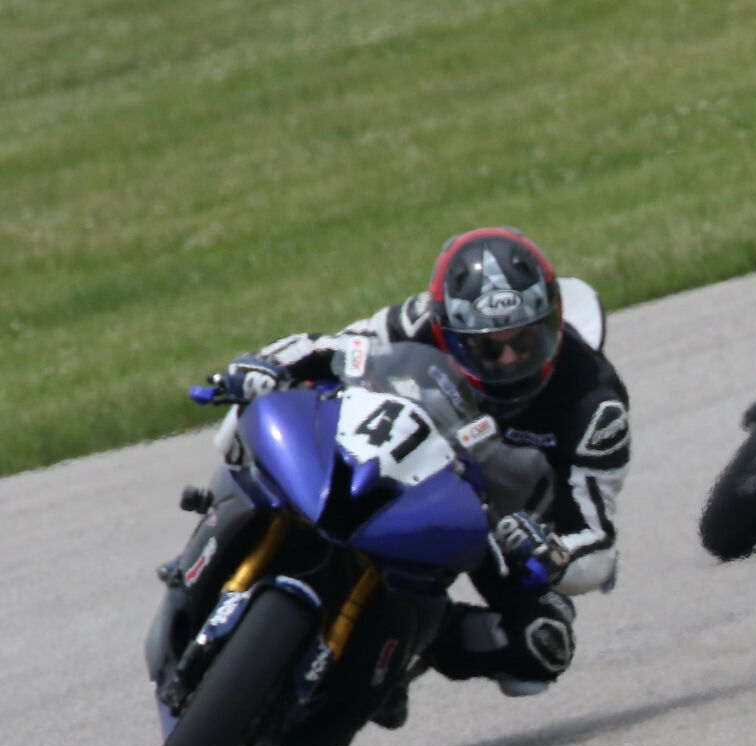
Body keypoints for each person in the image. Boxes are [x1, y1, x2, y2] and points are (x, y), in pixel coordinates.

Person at [201, 227, 630, 715]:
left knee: (541, 644)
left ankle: (411, 641)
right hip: (402, 449)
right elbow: (337, 346)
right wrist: (265, 365)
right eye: (489, 349)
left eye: (525, 343)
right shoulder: (420, 319)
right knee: (250, 414)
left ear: (552, 323)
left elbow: (598, 542)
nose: (509, 360)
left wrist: (551, 552)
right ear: (450, 332)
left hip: (498, 524)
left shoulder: (594, 404)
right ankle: (227, 523)